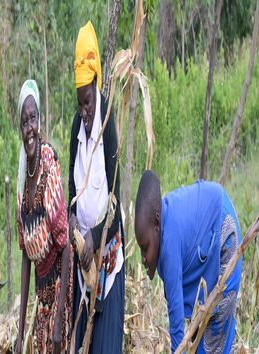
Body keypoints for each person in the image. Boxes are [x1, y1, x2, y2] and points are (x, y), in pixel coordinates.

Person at [134, 170, 243, 353]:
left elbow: (176, 323)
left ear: (157, 224)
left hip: (223, 229)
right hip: (211, 221)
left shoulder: (170, 244)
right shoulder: (161, 228)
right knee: (197, 330)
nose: (143, 257)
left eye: (145, 247)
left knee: (214, 336)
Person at [68, 20, 125, 353]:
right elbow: (72, 196)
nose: (85, 112)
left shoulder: (108, 123)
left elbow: (116, 200)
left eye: (88, 102)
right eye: (80, 104)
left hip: (108, 264)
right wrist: (74, 221)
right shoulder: (77, 124)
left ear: (97, 86)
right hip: (84, 268)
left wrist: (95, 233)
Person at [15, 80, 73, 354]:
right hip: (42, 293)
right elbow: (26, 256)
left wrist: (61, 315)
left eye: (33, 119)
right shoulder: (22, 181)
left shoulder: (49, 165)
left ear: (40, 120)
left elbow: (65, 244)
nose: (30, 129)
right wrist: (18, 331)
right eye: (24, 122)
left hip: (62, 285)